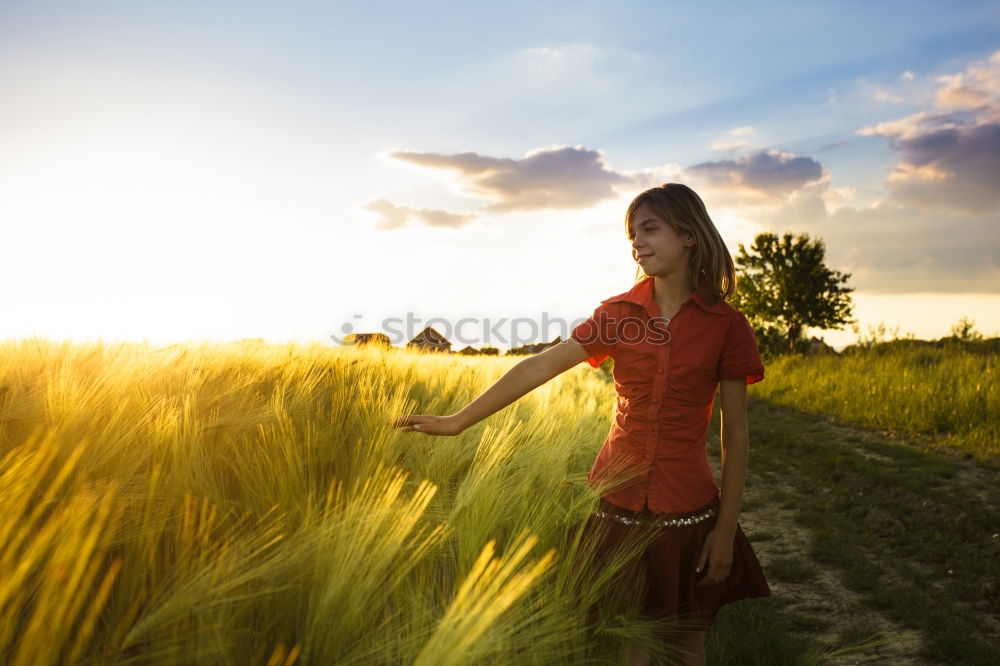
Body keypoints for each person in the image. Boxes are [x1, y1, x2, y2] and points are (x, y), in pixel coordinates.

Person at [392, 183, 771, 666]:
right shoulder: (617, 315)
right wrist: (458, 420)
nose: (637, 242)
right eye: (632, 234)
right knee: (631, 641)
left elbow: (734, 434)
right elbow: (539, 366)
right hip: (618, 505)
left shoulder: (727, 325)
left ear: (690, 235)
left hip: (689, 510)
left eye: (650, 229)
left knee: (685, 643)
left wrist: (725, 528)